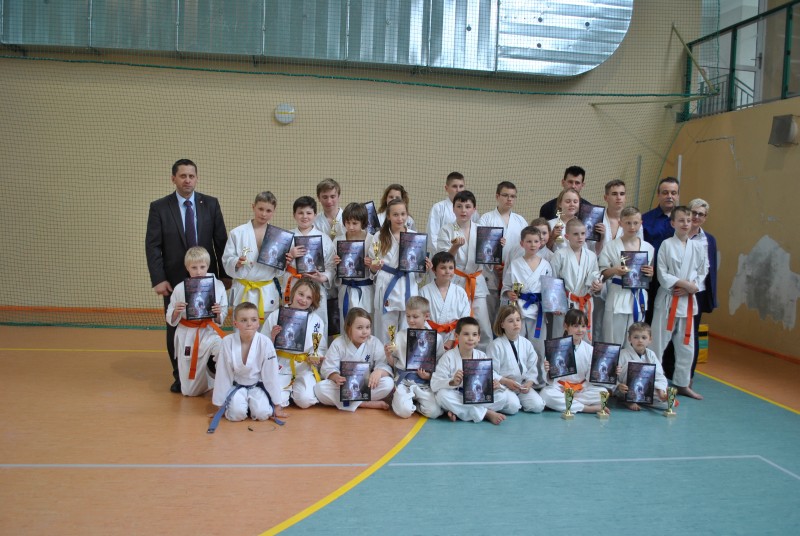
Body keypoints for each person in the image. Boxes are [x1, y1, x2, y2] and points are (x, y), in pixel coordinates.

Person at [145, 158, 228, 393]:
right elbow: (153, 246)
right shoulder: (160, 207)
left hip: (206, 277)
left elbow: (220, 241)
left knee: (208, 324)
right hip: (174, 280)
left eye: (191, 176)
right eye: (183, 176)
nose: (187, 180)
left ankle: (209, 372)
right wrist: (158, 278)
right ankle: (179, 375)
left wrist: (224, 275)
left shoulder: (210, 204)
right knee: (176, 325)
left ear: (197, 178)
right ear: (173, 178)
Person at [650, 206, 707, 400]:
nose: (685, 224)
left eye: (688, 220)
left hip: (687, 302)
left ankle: (682, 383)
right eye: (681, 220)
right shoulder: (666, 245)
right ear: (672, 223)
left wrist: (692, 287)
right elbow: (662, 274)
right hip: (668, 299)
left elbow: (703, 271)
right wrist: (684, 284)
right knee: (658, 344)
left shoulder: (697, 247)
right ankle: (654, 384)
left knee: (687, 346)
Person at [165, 247, 228, 397]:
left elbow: (221, 318)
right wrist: (176, 311)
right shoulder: (180, 289)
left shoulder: (218, 286)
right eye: (194, 267)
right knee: (190, 391)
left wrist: (218, 313)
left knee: (224, 351)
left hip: (210, 332)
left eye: (202, 267)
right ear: (187, 268)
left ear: (208, 266)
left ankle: (225, 386)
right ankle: (208, 380)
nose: (199, 271)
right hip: (188, 334)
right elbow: (170, 317)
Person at [430, 317, 518, 424]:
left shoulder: (482, 356)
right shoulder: (448, 357)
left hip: (477, 397)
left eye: (474, 334)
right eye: (466, 334)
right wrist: (452, 382)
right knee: (442, 396)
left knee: (502, 397)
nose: (471, 338)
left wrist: (494, 385)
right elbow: (434, 384)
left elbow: (489, 380)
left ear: (479, 338)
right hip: (457, 395)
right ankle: (486, 413)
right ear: (456, 336)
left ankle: (459, 411)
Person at [212, 302, 288, 424]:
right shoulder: (227, 342)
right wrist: (219, 405)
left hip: (256, 386)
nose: (249, 324)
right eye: (243, 320)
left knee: (262, 414)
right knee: (236, 414)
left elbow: (271, 376)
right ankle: (242, 405)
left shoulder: (265, 342)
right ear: (235, 324)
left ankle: (251, 406)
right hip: (236, 386)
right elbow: (223, 374)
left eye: (253, 320)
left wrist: (277, 405)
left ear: (258, 323)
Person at [436, 191, 493, 348]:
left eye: (468, 206)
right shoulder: (446, 230)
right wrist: (455, 247)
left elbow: (489, 261)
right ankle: (455, 356)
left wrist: (496, 248)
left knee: (483, 323)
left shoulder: (482, 231)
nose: (463, 210)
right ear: (453, 208)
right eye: (459, 206)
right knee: (457, 322)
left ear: (474, 209)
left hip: (476, 282)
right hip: (456, 281)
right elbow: (441, 260)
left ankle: (483, 357)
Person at [369, 198, 431, 344]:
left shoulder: (415, 236)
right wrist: (374, 267)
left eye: (403, 214)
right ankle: (385, 357)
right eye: (395, 214)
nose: (400, 218)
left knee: (408, 326)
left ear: (407, 215)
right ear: (388, 216)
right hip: (387, 283)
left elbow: (417, 268)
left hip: (407, 282)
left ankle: (404, 357)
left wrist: (424, 268)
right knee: (385, 331)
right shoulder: (379, 236)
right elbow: (372, 263)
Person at [264, 277, 328, 408]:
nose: (304, 300)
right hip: (281, 365)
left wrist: (315, 356)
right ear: (293, 293)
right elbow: (262, 344)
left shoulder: (316, 321)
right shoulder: (276, 315)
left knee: (305, 401)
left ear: (313, 301)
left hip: (303, 367)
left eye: (309, 298)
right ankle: (286, 392)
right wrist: (272, 338)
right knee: (276, 401)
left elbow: (319, 348)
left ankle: (295, 392)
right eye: (301, 294)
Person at [315, 308, 395, 411]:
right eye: (360, 328)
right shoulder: (338, 343)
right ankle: (364, 403)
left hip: (366, 384)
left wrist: (379, 372)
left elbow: (383, 364)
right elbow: (328, 368)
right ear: (349, 328)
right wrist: (336, 377)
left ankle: (353, 402)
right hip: (344, 386)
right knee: (319, 389)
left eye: (367, 327)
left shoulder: (374, 342)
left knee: (388, 383)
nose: (365, 332)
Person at [222, 192, 283, 323]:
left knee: (267, 332)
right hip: (243, 291)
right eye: (260, 209)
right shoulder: (237, 233)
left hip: (267, 292)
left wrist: (284, 262)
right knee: (241, 331)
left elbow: (279, 271)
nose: (264, 214)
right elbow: (227, 260)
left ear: (274, 211)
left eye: (268, 210)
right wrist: (236, 262)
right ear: (253, 207)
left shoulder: (278, 236)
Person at [598, 207, 655, 345]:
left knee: (636, 341)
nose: (632, 227)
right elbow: (602, 274)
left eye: (635, 223)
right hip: (617, 296)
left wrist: (650, 273)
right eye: (628, 223)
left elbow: (649, 277)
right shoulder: (610, 246)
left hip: (638, 297)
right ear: (620, 223)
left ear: (641, 223)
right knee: (613, 340)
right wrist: (615, 270)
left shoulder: (649, 248)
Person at [539, 309, 609, 414]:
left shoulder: (590, 350)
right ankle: (587, 408)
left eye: (583, 326)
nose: (580, 330)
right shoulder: (555, 347)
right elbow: (549, 379)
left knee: (603, 392)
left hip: (581, 390)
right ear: (566, 326)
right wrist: (547, 370)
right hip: (560, 388)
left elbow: (590, 378)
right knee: (545, 394)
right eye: (576, 326)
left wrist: (607, 372)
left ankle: (570, 402)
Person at [284, 196, 336, 337]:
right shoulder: (287, 237)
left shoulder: (324, 239)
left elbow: (331, 266)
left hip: (316, 286)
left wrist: (324, 277)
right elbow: (277, 267)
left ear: (315, 215)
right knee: (291, 325)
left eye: (308, 213)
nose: (304, 216)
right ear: (294, 215)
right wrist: (290, 256)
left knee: (318, 324)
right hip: (293, 284)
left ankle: (318, 350)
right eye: (300, 213)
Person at [388, 296, 446, 418]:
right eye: (408, 316)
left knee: (434, 412)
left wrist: (429, 376)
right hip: (404, 381)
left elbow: (440, 365)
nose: (411, 320)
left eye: (415, 316)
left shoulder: (436, 338)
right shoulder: (399, 336)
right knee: (404, 412)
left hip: (424, 384)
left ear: (426, 316)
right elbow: (393, 363)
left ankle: (415, 405)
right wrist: (388, 354)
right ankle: (405, 402)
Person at [477, 181, 527, 319]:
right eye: (505, 195)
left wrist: (508, 268)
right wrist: (494, 265)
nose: (509, 199)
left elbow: (525, 249)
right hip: (491, 273)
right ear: (497, 196)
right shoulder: (486, 219)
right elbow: (480, 247)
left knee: (509, 316)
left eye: (512, 196)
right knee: (490, 316)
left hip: (513, 272)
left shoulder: (521, 221)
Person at [502, 226, 552, 360]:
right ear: (522, 243)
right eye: (529, 241)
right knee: (519, 345)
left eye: (536, 241)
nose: (533, 245)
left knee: (539, 347)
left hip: (538, 311)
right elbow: (506, 285)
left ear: (541, 243)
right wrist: (509, 293)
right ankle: (519, 372)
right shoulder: (515, 264)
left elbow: (550, 289)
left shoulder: (546, 265)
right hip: (519, 309)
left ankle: (540, 373)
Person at [550, 219, 603, 340]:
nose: (580, 237)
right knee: (562, 338)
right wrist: (555, 304)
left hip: (585, 301)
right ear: (566, 236)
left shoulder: (591, 256)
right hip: (565, 303)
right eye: (575, 234)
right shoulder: (559, 254)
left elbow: (595, 277)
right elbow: (553, 280)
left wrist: (598, 286)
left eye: (583, 233)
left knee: (584, 340)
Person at [488, 305, 545, 413]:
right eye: (510, 321)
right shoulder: (495, 345)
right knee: (513, 407)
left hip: (521, 386)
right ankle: (513, 401)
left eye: (518, 320)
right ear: (502, 324)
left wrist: (529, 382)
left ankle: (519, 401)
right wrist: (505, 381)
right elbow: (490, 371)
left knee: (538, 406)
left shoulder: (526, 343)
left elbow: (532, 367)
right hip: (503, 386)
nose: (515, 323)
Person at [642, 177, 680, 324]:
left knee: (673, 320)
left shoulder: (684, 221)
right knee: (649, 318)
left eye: (673, 193)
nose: (669, 196)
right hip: (652, 278)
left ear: (677, 195)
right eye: (665, 192)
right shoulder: (645, 220)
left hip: (676, 278)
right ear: (658, 195)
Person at [687, 199, 718, 380]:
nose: (697, 217)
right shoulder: (676, 235)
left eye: (701, 214)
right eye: (694, 212)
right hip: (675, 291)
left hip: (697, 293)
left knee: (692, 332)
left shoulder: (709, 240)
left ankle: (688, 375)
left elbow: (709, 270)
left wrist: (699, 289)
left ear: (705, 218)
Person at [420, 252, 470, 348]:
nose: (447, 271)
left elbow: (465, 317)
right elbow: (421, 317)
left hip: (454, 337)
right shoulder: (424, 291)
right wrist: (432, 338)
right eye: (443, 268)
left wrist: (452, 339)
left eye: (451, 268)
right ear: (434, 269)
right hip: (430, 337)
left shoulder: (460, 292)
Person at [333, 202, 374, 321]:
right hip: (346, 288)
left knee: (365, 323)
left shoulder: (372, 240)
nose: (350, 227)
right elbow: (332, 268)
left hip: (365, 289)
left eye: (355, 223)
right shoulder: (338, 240)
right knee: (346, 323)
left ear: (363, 222)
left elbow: (377, 268)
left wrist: (371, 265)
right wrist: (336, 264)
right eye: (347, 222)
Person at [615, 322, 669, 411]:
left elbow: (659, 375)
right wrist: (618, 385)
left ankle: (641, 400)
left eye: (644, 338)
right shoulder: (622, 354)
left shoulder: (651, 354)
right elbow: (613, 375)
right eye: (636, 337)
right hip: (625, 389)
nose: (640, 340)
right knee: (634, 365)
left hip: (644, 388)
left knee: (667, 404)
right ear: (629, 339)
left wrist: (661, 391)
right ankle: (627, 400)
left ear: (650, 339)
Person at [426, 172, 477, 254]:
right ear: (446, 188)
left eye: (461, 186)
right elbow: (433, 236)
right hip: (443, 255)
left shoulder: (473, 211)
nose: (458, 190)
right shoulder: (438, 208)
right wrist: (440, 256)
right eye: (454, 186)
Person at [546, 188, 581, 252]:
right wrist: (552, 238)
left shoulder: (583, 225)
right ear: (560, 204)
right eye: (568, 201)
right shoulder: (550, 225)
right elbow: (542, 251)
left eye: (575, 202)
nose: (572, 204)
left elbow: (591, 249)